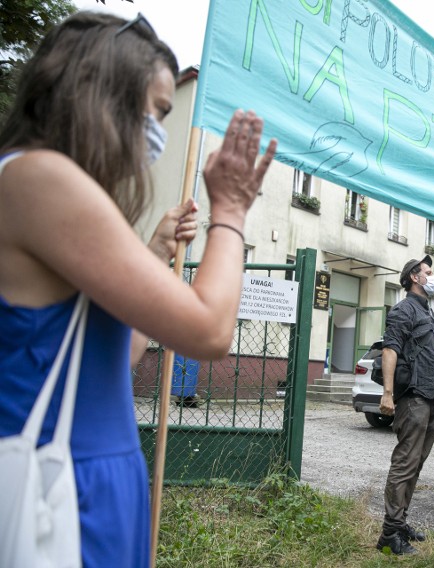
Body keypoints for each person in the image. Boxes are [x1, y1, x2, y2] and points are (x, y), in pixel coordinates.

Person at [0, 12, 276, 568]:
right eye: (156, 111)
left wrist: (150, 253)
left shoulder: (40, 183)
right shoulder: (41, 178)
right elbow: (210, 329)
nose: (157, 132)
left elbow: (118, 353)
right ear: (100, 93)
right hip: (63, 485)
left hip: (91, 474)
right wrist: (231, 211)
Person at [377, 255, 434, 555]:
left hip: (433, 399)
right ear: (415, 277)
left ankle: (399, 523)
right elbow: (390, 350)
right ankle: (389, 533)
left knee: (416, 464)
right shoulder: (403, 310)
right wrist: (388, 393)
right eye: (428, 271)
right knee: (405, 463)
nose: (432, 275)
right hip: (413, 399)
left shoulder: (427, 313)